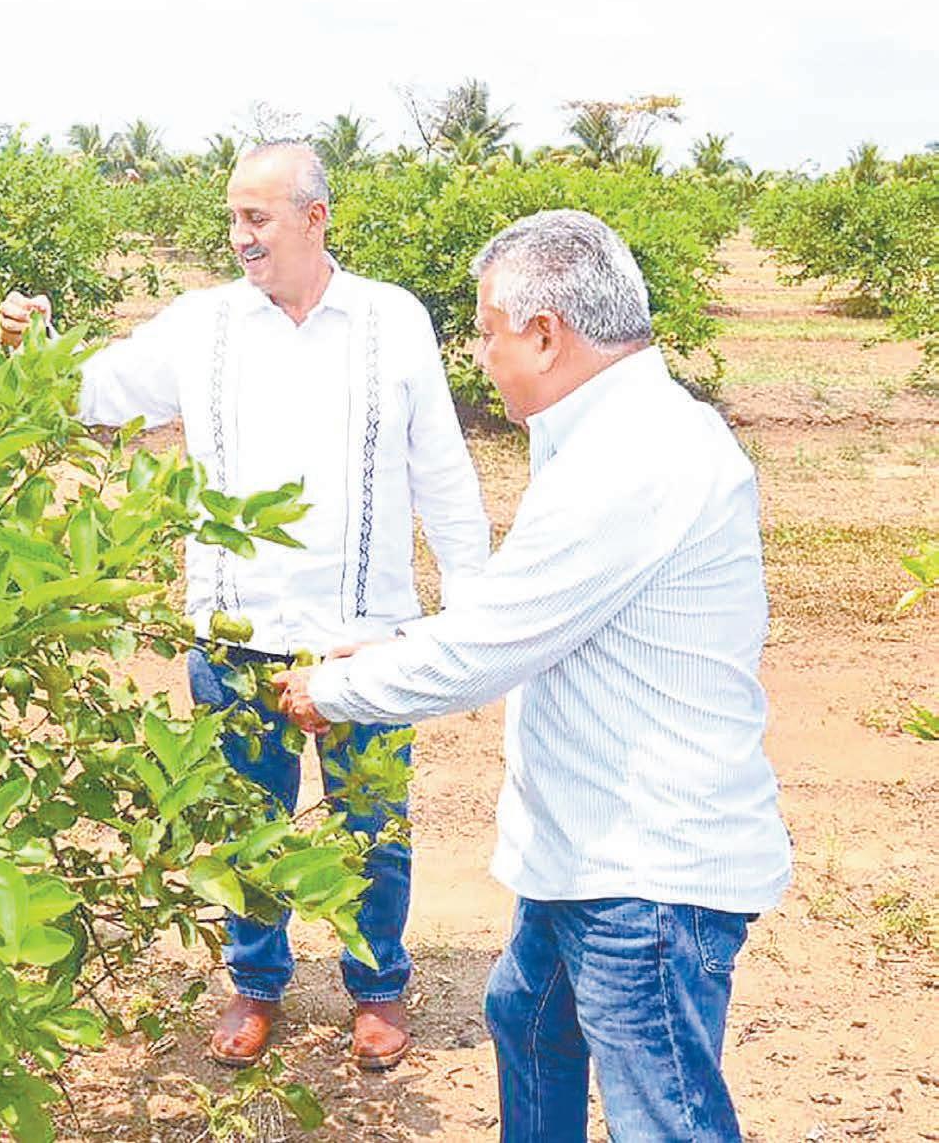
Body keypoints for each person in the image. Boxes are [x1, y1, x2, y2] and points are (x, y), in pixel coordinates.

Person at [271, 209, 792, 1139]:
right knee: (525, 1019)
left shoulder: (636, 454)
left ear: (545, 334)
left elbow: (489, 648)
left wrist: (333, 689)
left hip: (647, 875)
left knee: (661, 1114)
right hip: (588, 854)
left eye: (487, 332)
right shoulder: (606, 431)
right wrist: (389, 648)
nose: (480, 356)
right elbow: (532, 606)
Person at [0, 141, 490, 1070]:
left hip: (363, 641)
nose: (240, 236)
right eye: (232, 217)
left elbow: (441, 469)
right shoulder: (203, 322)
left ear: (315, 217)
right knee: (241, 822)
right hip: (236, 634)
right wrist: (35, 342)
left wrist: (469, 616)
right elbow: (97, 391)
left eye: (256, 217)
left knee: (371, 827)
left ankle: (376, 984)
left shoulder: (391, 319)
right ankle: (255, 981)